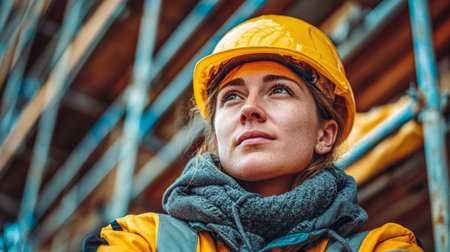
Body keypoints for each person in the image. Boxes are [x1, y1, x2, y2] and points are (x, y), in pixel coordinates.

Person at [84, 15, 424, 251]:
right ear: (218, 135)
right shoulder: (142, 241)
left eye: (279, 90)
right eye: (232, 96)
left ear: (326, 134)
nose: (249, 108)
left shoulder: (382, 247)